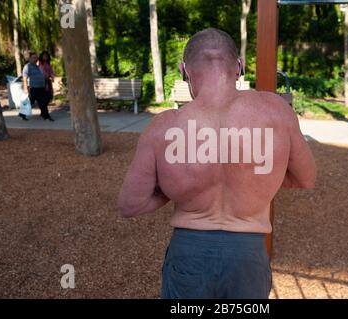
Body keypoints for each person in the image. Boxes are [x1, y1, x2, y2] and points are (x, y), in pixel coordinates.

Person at [118, 28, 316, 299]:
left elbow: (131, 204)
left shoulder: (163, 126)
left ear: (183, 71)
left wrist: (172, 186)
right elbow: (305, 178)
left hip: (189, 254)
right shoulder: (277, 112)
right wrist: (254, 176)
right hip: (248, 258)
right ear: (240, 67)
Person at [20, 52, 54, 121]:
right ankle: (22, 114)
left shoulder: (38, 66)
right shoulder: (27, 66)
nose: (35, 59)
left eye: (36, 58)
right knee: (30, 102)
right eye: (33, 57)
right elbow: (24, 78)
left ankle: (46, 116)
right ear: (30, 58)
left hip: (41, 88)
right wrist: (25, 88)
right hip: (34, 88)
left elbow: (43, 75)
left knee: (43, 102)